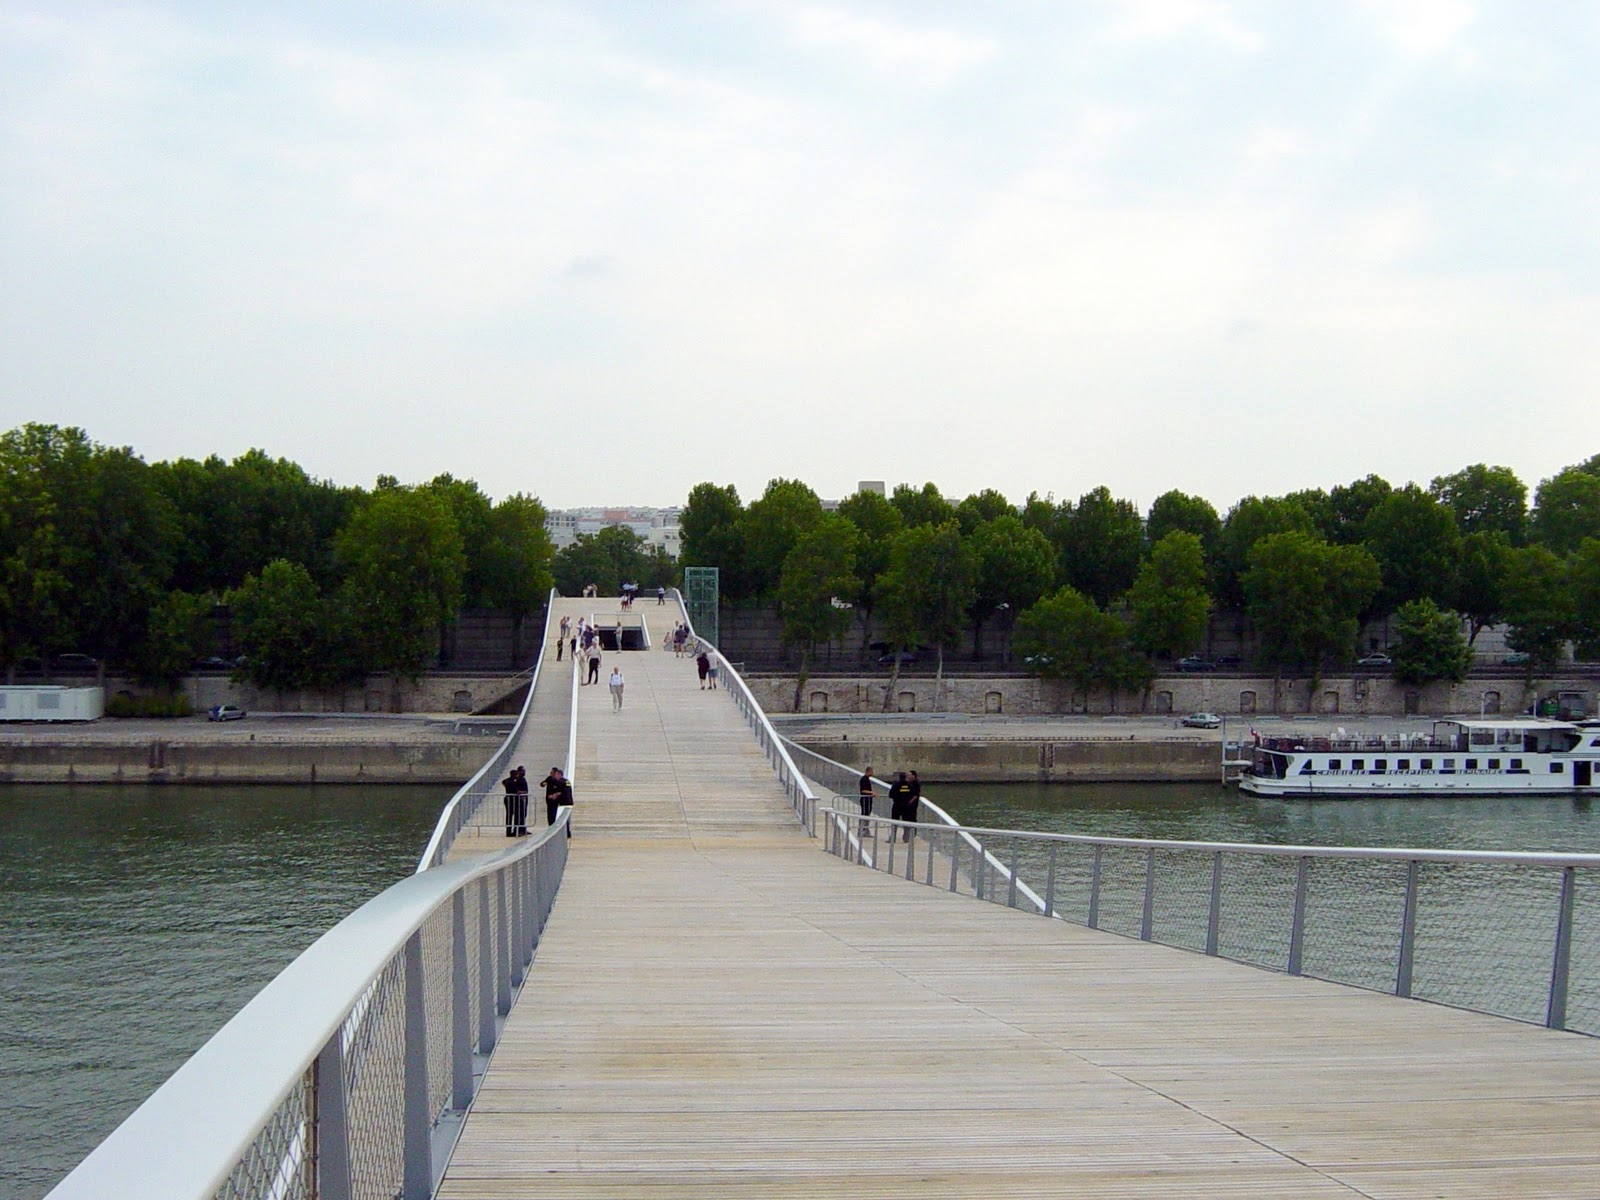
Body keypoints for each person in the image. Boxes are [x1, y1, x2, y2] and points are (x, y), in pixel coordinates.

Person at [540, 766, 574, 837]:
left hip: (562, 802)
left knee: (558, 818)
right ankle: (566, 833)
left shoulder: (560, 782)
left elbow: (560, 792)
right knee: (563, 819)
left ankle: (559, 832)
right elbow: (542, 784)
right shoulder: (563, 781)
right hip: (566, 802)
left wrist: (553, 796)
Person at [888, 771, 915, 842]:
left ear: (899, 777)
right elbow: (912, 794)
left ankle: (893, 838)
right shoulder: (909, 785)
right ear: (905, 777)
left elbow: (890, 795)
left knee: (894, 822)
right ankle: (906, 838)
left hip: (897, 805)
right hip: (906, 806)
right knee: (906, 822)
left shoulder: (896, 785)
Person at [502, 765, 520, 837]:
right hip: (512, 799)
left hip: (508, 798)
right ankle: (512, 831)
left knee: (509, 815)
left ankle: (508, 830)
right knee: (513, 815)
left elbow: (503, 781)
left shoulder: (507, 781)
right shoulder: (512, 782)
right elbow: (516, 791)